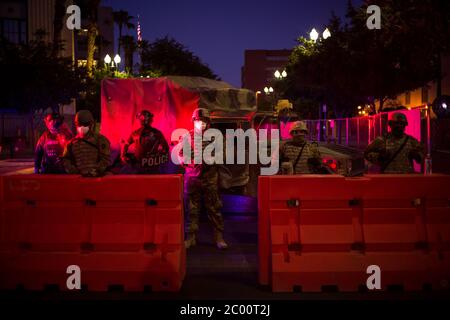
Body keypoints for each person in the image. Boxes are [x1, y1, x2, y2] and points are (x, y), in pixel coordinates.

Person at [181, 108, 228, 250]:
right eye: (198, 121)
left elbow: (223, 155)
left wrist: (210, 160)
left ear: (209, 122)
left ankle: (218, 237)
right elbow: (181, 155)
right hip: (192, 177)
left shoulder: (216, 137)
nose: (201, 123)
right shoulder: (187, 137)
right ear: (194, 121)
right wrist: (189, 161)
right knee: (191, 209)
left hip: (210, 177)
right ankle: (191, 237)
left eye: (204, 121)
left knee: (214, 207)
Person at [63, 110, 111, 177]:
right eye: (79, 124)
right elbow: (65, 159)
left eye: (85, 124)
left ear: (91, 124)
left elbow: (106, 159)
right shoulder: (71, 143)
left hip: (97, 178)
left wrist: (96, 171)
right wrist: (73, 171)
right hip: (79, 179)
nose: (82, 127)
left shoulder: (100, 140)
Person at [120, 110, 169, 174]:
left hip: (151, 166)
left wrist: (156, 157)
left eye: (146, 117)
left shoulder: (156, 133)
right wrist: (123, 155)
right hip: (139, 166)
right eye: (143, 118)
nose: (144, 120)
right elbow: (126, 144)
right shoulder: (135, 133)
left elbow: (166, 148)